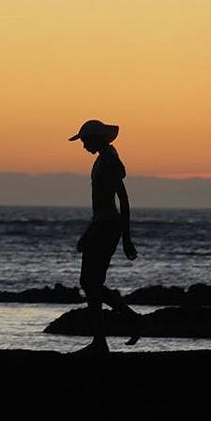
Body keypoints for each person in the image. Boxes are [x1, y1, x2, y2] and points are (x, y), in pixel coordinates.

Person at [69, 119, 142, 353]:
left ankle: (110, 335)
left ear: (96, 139)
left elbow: (123, 199)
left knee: (90, 283)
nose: (83, 146)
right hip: (101, 225)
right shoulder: (104, 158)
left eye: (85, 141)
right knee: (91, 283)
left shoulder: (109, 160)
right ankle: (123, 325)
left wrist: (127, 237)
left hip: (107, 226)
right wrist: (89, 231)